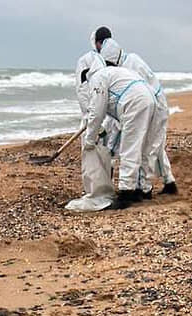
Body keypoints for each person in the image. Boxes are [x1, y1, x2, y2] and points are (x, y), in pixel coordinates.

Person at [99, 38, 178, 196]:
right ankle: (169, 182)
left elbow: (132, 98)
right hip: (153, 104)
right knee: (155, 146)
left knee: (146, 147)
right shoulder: (131, 60)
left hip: (153, 107)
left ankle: (143, 188)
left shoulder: (129, 66)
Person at [84, 62, 157, 210]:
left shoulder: (96, 79)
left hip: (134, 103)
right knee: (142, 147)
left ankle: (126, 193)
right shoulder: (111, 73)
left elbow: (97, 112)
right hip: (149, 99)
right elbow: (105, 110)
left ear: (86, 79)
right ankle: (143, 188)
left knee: (129, 148)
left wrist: (89, 140)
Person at [68, 51, 115, 211]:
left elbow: (83, 93)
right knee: (105, 153)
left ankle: (98, 193)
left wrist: (89, 121)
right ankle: (104, 189)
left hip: (96, 115)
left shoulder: (86, 62)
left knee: (94, 154)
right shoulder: (102, 63)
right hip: (102, 114)